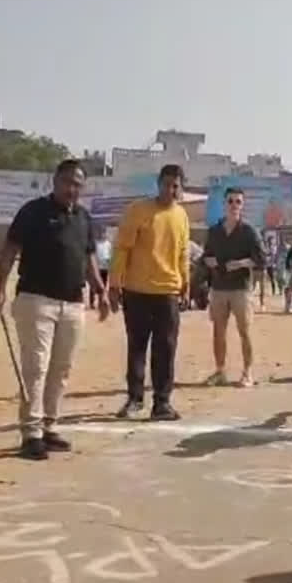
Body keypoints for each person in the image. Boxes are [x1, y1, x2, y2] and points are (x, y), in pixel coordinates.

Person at [0, 159, 110, 461]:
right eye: (67, 182)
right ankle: (31, 433)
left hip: (72, 303)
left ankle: (49, 425)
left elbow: (89, 257)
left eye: (78, 184)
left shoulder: (84, 217)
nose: (72, 189)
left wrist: (100, 290)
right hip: (35, 300)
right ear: (54, 182)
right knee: (36, 368)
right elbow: (9, 250)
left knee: (61, 368)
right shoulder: (33, 211)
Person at [109, 164, 191, 421]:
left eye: (175, 186)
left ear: (181, 188)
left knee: (166, 348)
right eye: (166, 184)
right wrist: (114, 283)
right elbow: (122, 248)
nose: (170, 190)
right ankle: (134, 399)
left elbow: (183, 253)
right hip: (136, 290)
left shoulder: (181, 216)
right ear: (158, 184)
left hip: (168, 291)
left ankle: (162, 403)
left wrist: (185, 284)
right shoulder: (138, 210)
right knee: (137, 346)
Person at [202, 187, 264, 387]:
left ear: (243, 205)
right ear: (224, 204)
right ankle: (220, 371)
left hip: (241, 289)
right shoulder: (215, 231)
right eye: (230, 201)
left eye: (238, 201)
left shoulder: (249, 231)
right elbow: (206, 256)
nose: (234, 205)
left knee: (244, 331)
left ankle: (247, 373)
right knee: (218, 331)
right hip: (219, 288)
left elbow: (261, 259)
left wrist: (241, 263)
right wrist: (208, 261)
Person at [90, 225, 112, 309]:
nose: (102, 234)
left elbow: (110, 254)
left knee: (104, 284)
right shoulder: (95, 243)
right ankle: (92, 302)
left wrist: (110, 262)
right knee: (94, 284)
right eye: (101, 232)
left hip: (105, 267)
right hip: (97, 267)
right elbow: (93, 254)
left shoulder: (108, 243)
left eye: (104, 232)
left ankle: (101, 301)